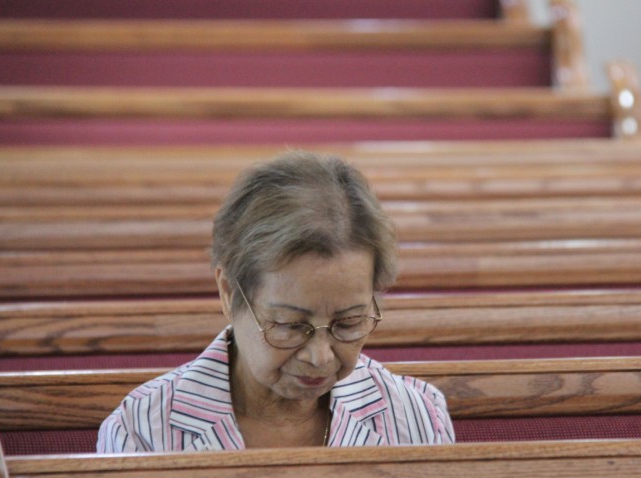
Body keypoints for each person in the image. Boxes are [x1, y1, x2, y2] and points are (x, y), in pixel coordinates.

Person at [97, 151, 455, 452]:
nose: (320, 357)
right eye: (290, 325)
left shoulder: (415, 419)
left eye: (348, 323)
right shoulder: (143, 434)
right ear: (228, 292)